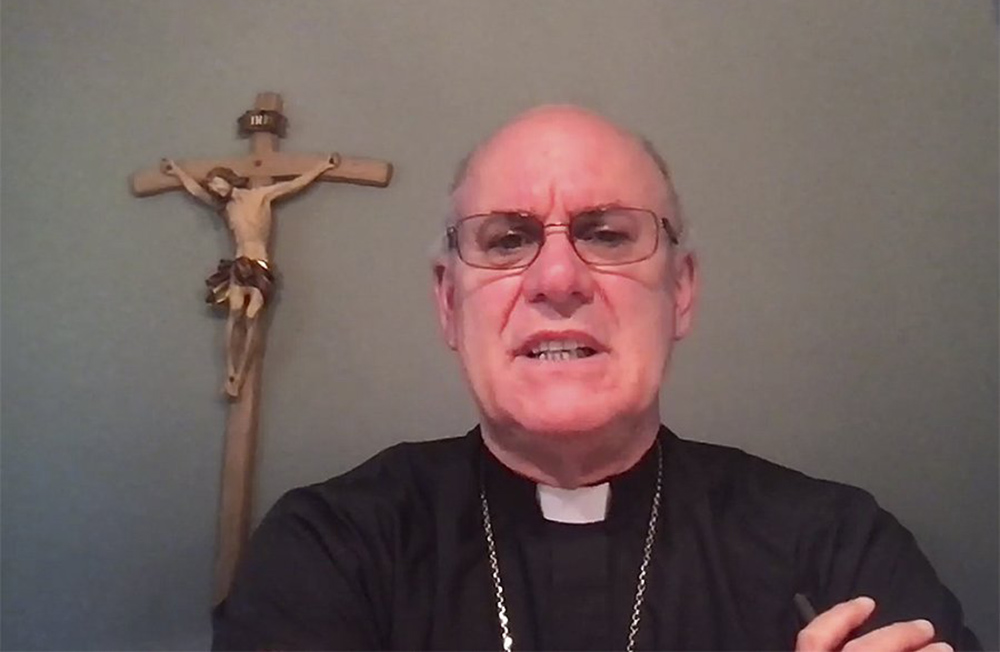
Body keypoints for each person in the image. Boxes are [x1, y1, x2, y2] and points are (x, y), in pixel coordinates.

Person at [211, 107, 979, 650]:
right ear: (449, 303)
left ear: (680, 291)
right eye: (507, 239)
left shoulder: (834, 543)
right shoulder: (333, 545)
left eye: (607, 234)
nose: (556, 277)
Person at [162, 156, 338, 397]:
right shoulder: (225, 207)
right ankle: (230, 373)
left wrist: (322, 167)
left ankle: (242, 374)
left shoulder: (260, 195)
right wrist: (177, 172)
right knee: (234, 312)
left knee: (253, 315)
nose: (214, 188)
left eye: (216, 183)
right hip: (239, 263)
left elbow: (295, 184)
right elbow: (196, 191)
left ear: (227, 178)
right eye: (212, 186)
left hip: (260, 265)